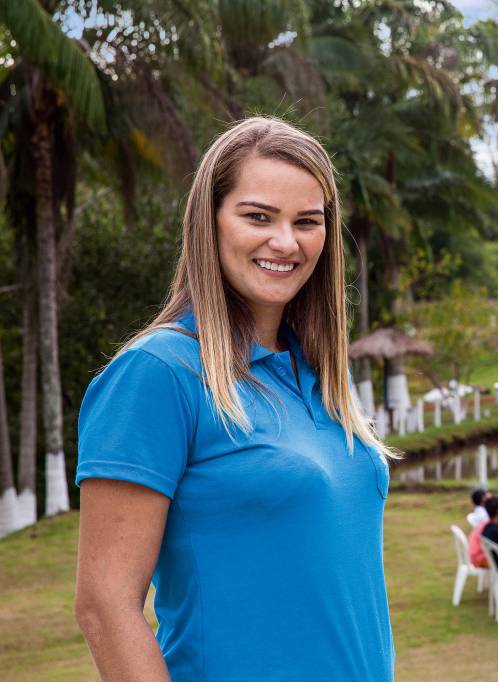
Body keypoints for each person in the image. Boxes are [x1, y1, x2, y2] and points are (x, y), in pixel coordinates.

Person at [74, 118, 393, 680]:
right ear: (210, 222)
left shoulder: (316, 375)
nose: (285, 242)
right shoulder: (158, 373)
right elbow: (105, 605)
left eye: (307, 222)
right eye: (258, 217)